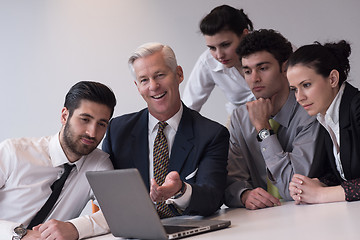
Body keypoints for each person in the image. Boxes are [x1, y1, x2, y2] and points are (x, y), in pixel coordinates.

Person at [65, 42, 230, 239]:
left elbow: (213, 198)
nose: (153, 86)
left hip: (191, 233)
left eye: (160, 75)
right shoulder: (118, 130)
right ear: (137, 87)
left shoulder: (212, 134)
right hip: (132, 234)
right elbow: (109, 195)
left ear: (179, 74)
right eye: (144, 80)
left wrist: (180, 190)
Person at [0, 81, 116, 239]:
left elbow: (117, 213)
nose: (92, 132)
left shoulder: (98, 164)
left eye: (101, 124)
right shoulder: (13, 152)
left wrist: (74, 228)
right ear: (64, 116)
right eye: (85, 119)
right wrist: (19, 234)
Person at [225, 29, 321, 210]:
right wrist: (244, 194)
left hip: (308, 215)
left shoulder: (309, 111)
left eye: (263, 68)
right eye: (247, 71)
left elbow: (292, 189)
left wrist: (263, 129)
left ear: (284, 68)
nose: (254, 79)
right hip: (261, 222)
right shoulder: (240, 117)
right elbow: (231, 182)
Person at [287, 40, 360, 204]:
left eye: (306, 85)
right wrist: (313, 185)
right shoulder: (326, 116)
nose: (299, 97)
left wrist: (321, 194)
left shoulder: (356, 107)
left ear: (333, 79)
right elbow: (343, 174)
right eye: (294, 89)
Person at [182, 5, 255, 116]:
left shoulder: (274, 47)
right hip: (241, 120)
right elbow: (189, 107)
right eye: (212, 48)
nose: (219, 55)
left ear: (244, 35)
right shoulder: (207, 61)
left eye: (225, 45)